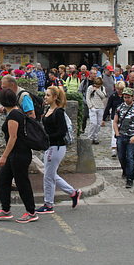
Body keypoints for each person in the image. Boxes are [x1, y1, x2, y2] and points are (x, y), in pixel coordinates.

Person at [0, 88, 39, 223]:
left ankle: (31, 212)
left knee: (22, 183)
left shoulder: (13, 116)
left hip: (18, 154)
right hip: (17, 153)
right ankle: (5, 210)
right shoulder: (16, 112)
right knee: (3, 179)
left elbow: (13, 137)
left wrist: (4, 156)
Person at [35, 86, 83, 214]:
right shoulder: (47, 110)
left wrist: (46, 138)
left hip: (56, 147)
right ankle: (73, 193)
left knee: (48, 177)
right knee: (50, 175)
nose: (45, 97)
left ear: (55, 97)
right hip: (50, 147)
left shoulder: (59, 112)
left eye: (48, 95)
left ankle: (48, 204)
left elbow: (62, 132)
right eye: (45, 95)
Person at [113, 87, 134, 188]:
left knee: (130, 156)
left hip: (131, 135)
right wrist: (117, 133)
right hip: (121, 135)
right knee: (121, 156)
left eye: (129, 97)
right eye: (125, 97)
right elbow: (115, 121)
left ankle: (130, 177)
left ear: (133, 97)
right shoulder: (119, 107)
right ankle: (125, 169)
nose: (127, 99)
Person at [103, 80, 126, 157]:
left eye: (122, 89)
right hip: (114, 116)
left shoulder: (125, 96)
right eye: (119, 89)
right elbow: (108, 107)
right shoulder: (113, 96)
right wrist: (104, 118)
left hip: (124, 117)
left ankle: (122, 147)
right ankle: (114, 148)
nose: (121, 91)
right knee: (114, 132)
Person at [86, 76, 107, 145]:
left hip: (100, 107)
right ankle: (90, 137)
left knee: (98, 124)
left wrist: (97, 90)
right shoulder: (90, 88)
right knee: (93, 123)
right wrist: (90, 106)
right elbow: (88, 98)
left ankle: (96, 137)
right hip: (93, 107)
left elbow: (103, 96)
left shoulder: (102, 88)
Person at [78, 68, 97, 133]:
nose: (95, 75)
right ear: (90, 74)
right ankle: (83, 128)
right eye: (94, 74)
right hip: (85, 101)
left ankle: (93, 131)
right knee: (85, 116)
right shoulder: (85, 81)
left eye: (96, 74)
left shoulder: (97, 82)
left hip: (94, 101)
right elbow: (80, 90)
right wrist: (83, 98)